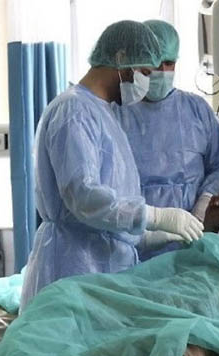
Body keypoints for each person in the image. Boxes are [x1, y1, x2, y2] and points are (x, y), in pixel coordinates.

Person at [20, 21, 204, 312]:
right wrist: (155, 216)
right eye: (145, 72)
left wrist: (150, 236)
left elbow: (110, 210)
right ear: (121, 59)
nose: (146, 84)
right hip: (72, 270)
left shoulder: (104, 113)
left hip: (100, 273)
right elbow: (84, 197)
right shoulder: (74, 111)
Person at [114, 20, 219, 260]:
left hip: (193, 242)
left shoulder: (197, 110)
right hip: (134, 248)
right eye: (154, 62)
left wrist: (204, 204)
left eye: (169, 63)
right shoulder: (116, 113)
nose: (162, 70)